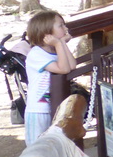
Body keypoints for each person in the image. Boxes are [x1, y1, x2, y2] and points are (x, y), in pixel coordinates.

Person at [23, 10, 75, 144]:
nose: (66, 28)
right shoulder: (36, 54)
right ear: (46, 32)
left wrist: (62, 44)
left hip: (54, 107)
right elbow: (63, 69)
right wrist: (59, 44)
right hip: (38, 110)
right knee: (37, 148)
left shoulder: (56, 50)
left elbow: (72, 65)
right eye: (61, 26)